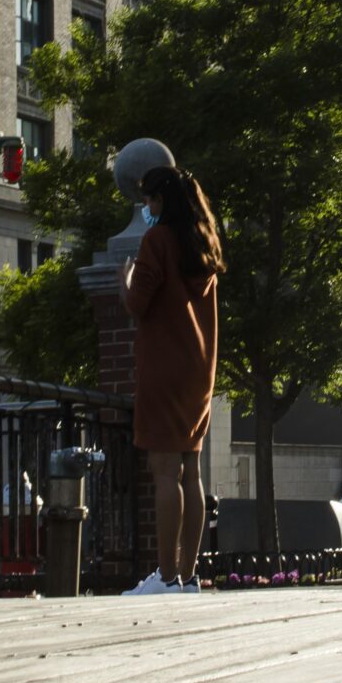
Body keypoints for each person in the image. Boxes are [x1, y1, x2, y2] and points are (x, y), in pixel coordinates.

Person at [121, 164, 223, 596]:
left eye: (147, 199)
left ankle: (164, 576)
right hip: (199, 373)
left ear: (160, 200)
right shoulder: (204, 244)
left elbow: (138, 302)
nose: (145, 206)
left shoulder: (156, 240)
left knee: (164, 471)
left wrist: (124, 279)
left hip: (163, 367)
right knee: (190, 471)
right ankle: (188, 574)